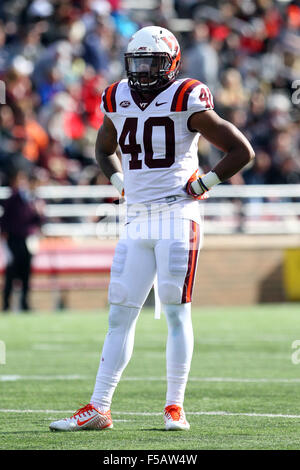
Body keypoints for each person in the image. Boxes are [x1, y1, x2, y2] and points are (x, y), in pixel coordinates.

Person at [49, 26, 254, 432]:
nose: (142, 70)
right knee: (119, 314)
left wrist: (203, 184)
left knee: (177, 312)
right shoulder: (116, 96)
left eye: (151, 62)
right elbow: (103, 149)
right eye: (137, 62)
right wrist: (119, 183)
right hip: (137, 218)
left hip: (178, 215)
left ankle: (174, 406)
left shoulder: (186, 96)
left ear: (171, 64)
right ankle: (99, 407)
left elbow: (241, 150)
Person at [0, 170, 45, 311]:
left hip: (28, 240)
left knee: (26, 274)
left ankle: (25, 304)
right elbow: (5, 220)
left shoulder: (35, 200)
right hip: (14, 240)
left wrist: (40, 213)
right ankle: (7, 304)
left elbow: (39, 221)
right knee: (11, 274)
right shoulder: (14, 198)